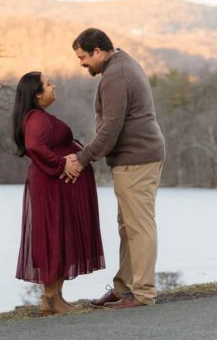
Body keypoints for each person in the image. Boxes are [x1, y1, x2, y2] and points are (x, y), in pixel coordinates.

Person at [62, 28, 165, 310]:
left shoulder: (116, 76)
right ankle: (125, 289)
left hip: (137, 159)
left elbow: (111, 129)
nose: (81, 63)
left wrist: (82, 159)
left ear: (98, 51)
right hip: (135, 158)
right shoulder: (120, 65)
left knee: (139, 227)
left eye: (83, 57)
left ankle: (142, 294)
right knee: (128, 227)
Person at [12, 70, 105, 316]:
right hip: (51, 188)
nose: (54, 86)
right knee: (53, 236)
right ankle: (52, 298)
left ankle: (54, 298)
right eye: (48, 84)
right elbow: (34, 146)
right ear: (37, 94)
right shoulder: (36, 119)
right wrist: (62, 164)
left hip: (56, 187)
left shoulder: (39, 117)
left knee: (59, 236)